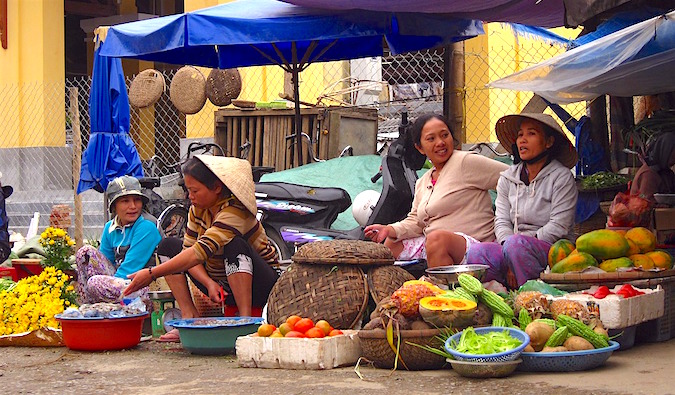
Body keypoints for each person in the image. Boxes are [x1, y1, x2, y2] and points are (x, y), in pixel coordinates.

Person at [123, 156, 279, 342]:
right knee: (168, 246)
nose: (190, 196)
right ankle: (190, 316)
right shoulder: (197, 210)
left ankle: (245, 323)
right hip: (222, 283)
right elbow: (189, 251)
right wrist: (208, 283)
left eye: (195, 190)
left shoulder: (236, 211)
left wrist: (151, 273)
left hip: (261, 285)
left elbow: (199, 252)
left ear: (217, 188)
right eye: (188, 190)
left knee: (234, 245)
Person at [364, 113, 509, 268]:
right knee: (393, 242)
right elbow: (416, 222)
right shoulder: (423, 181)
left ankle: (443, 289)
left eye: (444, 135)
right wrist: (389, 229)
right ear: (420, 147)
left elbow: (513, 179)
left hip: (476, 248)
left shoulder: (465, 162)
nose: (440, 142)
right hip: (435, 245)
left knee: (437, 239)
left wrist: (511, 225)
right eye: (431, 139)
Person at [466, 113, 578, 289]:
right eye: (520, 135)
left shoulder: (562, 177)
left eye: (531, 134)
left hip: (552, 249)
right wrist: (509, 248)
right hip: (512, 247)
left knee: (515, 245)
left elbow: (559, 226)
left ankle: (532, 298)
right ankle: (500, 298)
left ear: (548, 142)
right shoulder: (507, 178)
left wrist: (516, 247)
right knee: (477, 252)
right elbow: (501, 221)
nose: (522, 140)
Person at [75, 175, 161, 306]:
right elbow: (105, 264)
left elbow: (129, 271)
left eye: (137, 200)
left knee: (95, 283)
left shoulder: (146, 226)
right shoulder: (110, 227)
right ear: (114, 205)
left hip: (146, 288)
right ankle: (89, 308)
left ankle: (105, 306)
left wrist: (103, 287)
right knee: (85, 252)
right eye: (125, 201)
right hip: (119, 284)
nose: (133, 206)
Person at [630, 132, 675, 203]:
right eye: (673, 154)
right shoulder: (649, 174)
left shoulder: (666, 172)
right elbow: (646, 204)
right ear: (665, 152)